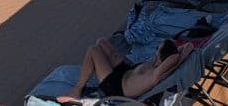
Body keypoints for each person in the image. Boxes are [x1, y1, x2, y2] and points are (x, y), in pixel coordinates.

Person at [57, 37, 194, 103]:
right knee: (101, 42)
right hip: (125, 72)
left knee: (93, 50)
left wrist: (177, 57)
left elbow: (175, 56)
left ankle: (77, 89)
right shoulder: (157, 63)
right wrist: (176, 53)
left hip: (115, 86)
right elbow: (188, 46)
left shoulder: (157, 73)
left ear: (162, 56)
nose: (156, 49)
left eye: (158, 47)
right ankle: (89, 75)